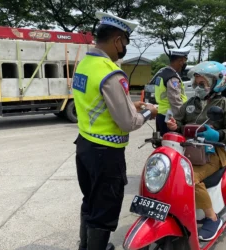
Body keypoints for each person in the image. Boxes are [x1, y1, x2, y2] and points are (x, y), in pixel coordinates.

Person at [73, 11, 158, 250]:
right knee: (105, 207)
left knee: (90, 201)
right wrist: (149, 112)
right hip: (106, 153)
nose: (125, 48)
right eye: (126, 43)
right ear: (118, 39)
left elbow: (96, 103)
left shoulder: (85, 64)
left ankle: (86, 246)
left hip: (85, 145)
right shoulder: (111, 71)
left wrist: (132, 105)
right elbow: (128, 123)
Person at [166, 61, 226, 241]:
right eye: (196, 83)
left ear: (217, 83)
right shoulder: (190, 103)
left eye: (202, 84)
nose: (197, 87)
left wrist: (217, 135)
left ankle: (211, 218)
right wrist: (175, 126)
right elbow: (180, 123)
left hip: (214, 152)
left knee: (190, 176)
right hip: (189, 149)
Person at [152, 47, 191, 136]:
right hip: (170, 116)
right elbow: (175, 101)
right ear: (180, 61)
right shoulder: (172, 78)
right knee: (172, 144)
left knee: (163, 141)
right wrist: (182, 118)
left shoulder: (162, 73)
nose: (184, 64)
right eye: (184, 61)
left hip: (161, 114)